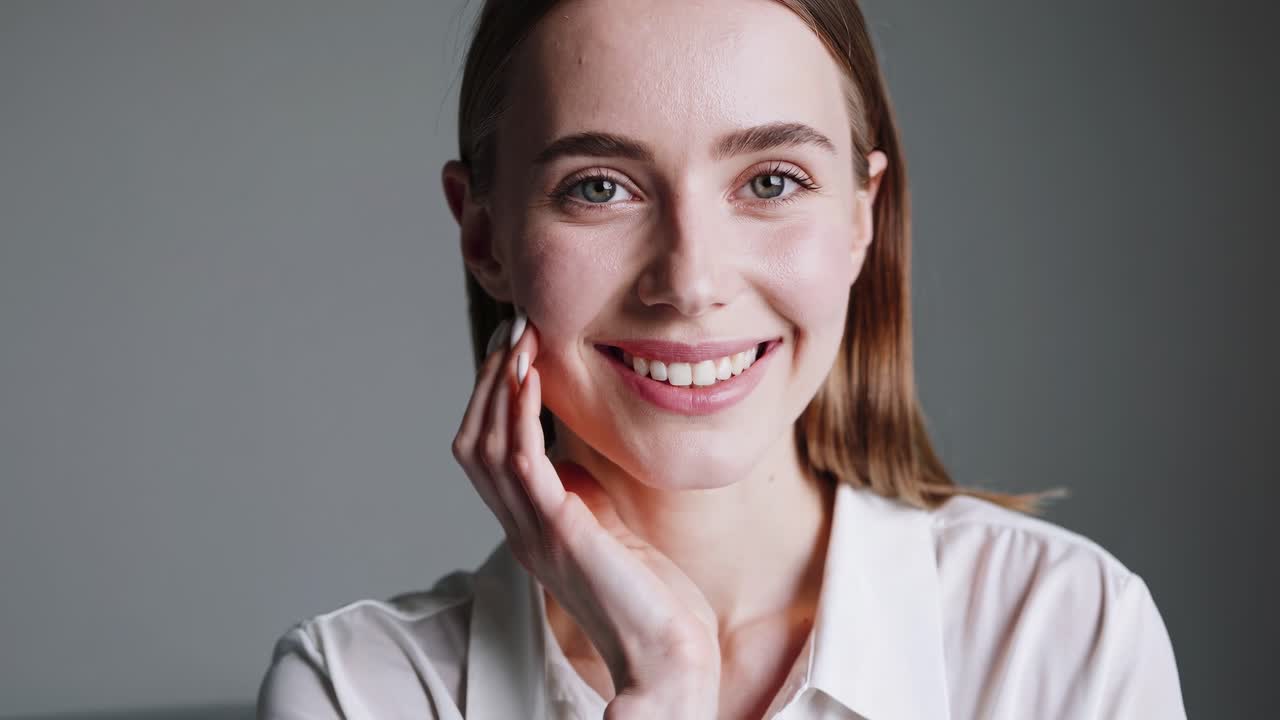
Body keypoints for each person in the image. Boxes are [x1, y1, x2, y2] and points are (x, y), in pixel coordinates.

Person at [256, 0, 1187, 717]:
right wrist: (664, 681)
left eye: (772, 181)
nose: (691, 280)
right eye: (599, 188)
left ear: (861, 217)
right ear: (483, 231)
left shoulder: (1063, 633)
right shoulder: (360, 691)